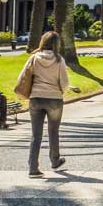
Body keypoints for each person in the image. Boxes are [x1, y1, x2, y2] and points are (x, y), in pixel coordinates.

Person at [18, 31, 71, 178]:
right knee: (53, 132)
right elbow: (65, 82)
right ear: (56, 44)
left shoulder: (34, 58)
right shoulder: (59, 60)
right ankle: (55, 160)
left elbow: (22, 76)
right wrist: (62, 91)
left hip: (36, 98)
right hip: (54, 98)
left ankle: (33, 168)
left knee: (36, 135)